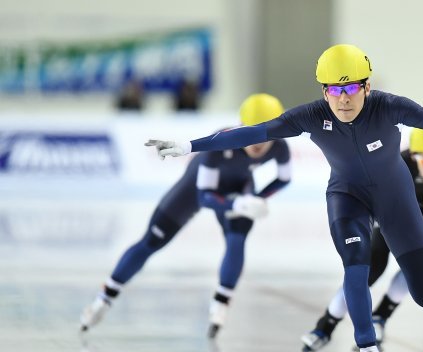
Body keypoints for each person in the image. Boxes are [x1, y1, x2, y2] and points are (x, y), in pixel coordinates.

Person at [145, 44, 423, 352]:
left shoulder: (388, 106)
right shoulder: (312, 115)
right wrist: (188, 147)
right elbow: (252, 132)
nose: (341, 100)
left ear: (366, 86)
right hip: (348, 198)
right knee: (356, 269)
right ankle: (368, 350)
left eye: (349, 90)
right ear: (323, 91)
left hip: (396, 199)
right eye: (332, 90)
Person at [80, 94, 291, 337]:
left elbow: (285, 178)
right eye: (252, 133)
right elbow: (204, 197)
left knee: (237, 239)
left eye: (265, 136)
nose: (258, 144)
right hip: (194, 188)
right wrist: (238, 203)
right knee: (152, 241)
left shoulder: (279, 146)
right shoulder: (223, 144)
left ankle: (221, 303)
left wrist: (258, 198)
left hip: (240, 188)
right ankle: (104, 298)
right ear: (241, 127)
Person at [301, 107, 423, 352]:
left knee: (421, 271)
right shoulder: (398, 162)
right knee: (370, 270)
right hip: (394, 212)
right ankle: (326, 325)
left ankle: (381, 315)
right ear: (414, 156)